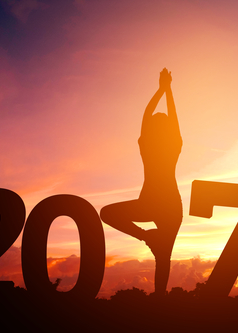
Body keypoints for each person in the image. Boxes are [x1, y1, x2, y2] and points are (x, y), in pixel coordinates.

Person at [100, 68, 183, 295]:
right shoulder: (170, 146)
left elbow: (148, 116)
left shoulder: (150, 146)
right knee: (163, 257)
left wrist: (162, 90)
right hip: (166, 205)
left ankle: (147, 240)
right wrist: (167, 90)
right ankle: (148, 240)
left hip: (159, 205)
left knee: (162, 256)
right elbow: (166, 119)